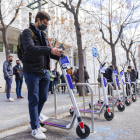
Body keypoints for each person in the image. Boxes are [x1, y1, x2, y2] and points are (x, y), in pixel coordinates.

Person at [22, 11, 63, 139]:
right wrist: (50, 50)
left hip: (44, 72)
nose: (45, 26)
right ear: (38, 20)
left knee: (43, 97)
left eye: (47, 24)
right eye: (44, 23)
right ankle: (35, 127)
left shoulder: (44, 34)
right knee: (34, 99)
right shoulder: (27, 32)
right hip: (31, 71)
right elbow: (31, 49)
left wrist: (57, 54)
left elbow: (48, 52)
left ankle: (34, 122)